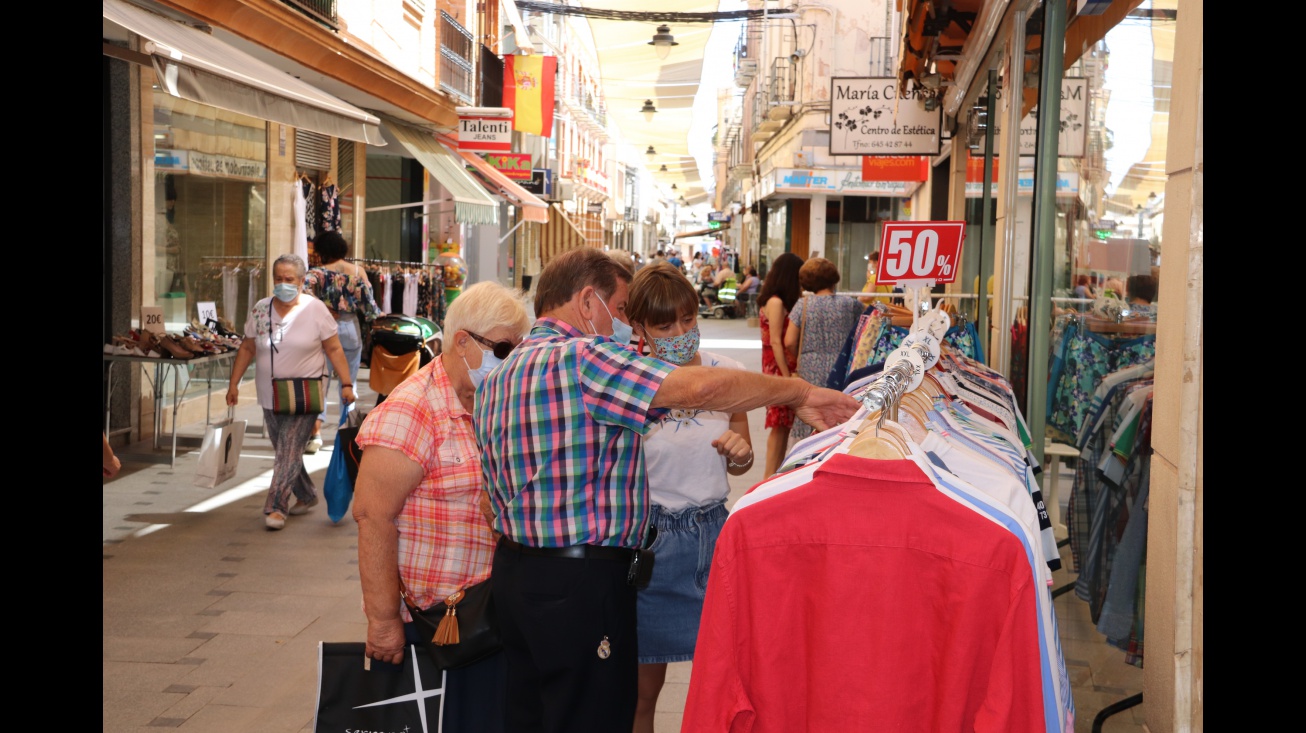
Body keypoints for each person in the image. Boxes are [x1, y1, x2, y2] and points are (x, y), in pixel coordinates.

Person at [471, 247, 858, 732]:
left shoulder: (500, 374)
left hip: (514, 574)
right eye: (622, 309)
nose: (624, 325)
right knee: (596, 714)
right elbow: (697, 390)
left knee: (534, 714)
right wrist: (799, 392)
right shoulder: (585, 358)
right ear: (589, 302)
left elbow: (490, 493)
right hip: (580, 582)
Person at [352, 281, 531, 731]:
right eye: (505, 347)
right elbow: (373, 517)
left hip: (491, 617)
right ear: (463, 342)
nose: (512, 359)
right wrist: (383, 619)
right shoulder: (412, 410)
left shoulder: (492, 401)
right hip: (439, 628)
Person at [624, 263, 754, 733]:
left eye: (687, 319)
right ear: (638, 328)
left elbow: (741, 460)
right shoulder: (627, 383)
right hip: (650, 545)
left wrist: (739, 453)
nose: (680, 333)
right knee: (642, 692)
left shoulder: (728, 374)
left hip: (713, 537)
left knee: (722, 683)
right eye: (664, 325)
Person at [226, 253, 356, 530]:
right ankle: (307, 494)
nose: (283, 284)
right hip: (269, 393)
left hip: (304, 392)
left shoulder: (315, 309)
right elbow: (248, 347)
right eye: (278, 279)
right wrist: (233, 383)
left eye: (289, 279)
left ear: (301, 281)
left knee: (287, 452)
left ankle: (276, 507)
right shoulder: (261, 309)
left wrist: (346, 383)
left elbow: (333, 348)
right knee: (286, 450)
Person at [302, 230, 380, 454]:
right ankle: (347, 434)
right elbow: (370, 305)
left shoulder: (317, 273)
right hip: (350, 328)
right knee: (349, 382)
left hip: (324, 330)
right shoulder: (358, 272)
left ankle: (315, 435)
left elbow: (303, 291)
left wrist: (324, 307)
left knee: (321, 381)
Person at [784, 257, 867, 443]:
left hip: (809, 368)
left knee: (810, 411)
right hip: (842, 368)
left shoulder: (803, 305)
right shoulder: (850, 304)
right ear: (833, 278)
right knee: (840, 415)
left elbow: (789, 341)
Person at [757, 252, 804, 478]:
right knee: (778, 424)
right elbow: (775, 341)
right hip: (777, 368)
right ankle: (768, 477)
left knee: (783, 425)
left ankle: (773, 476)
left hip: (779, 365)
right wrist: (786, 377)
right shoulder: (775, 302)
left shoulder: (780, 300)